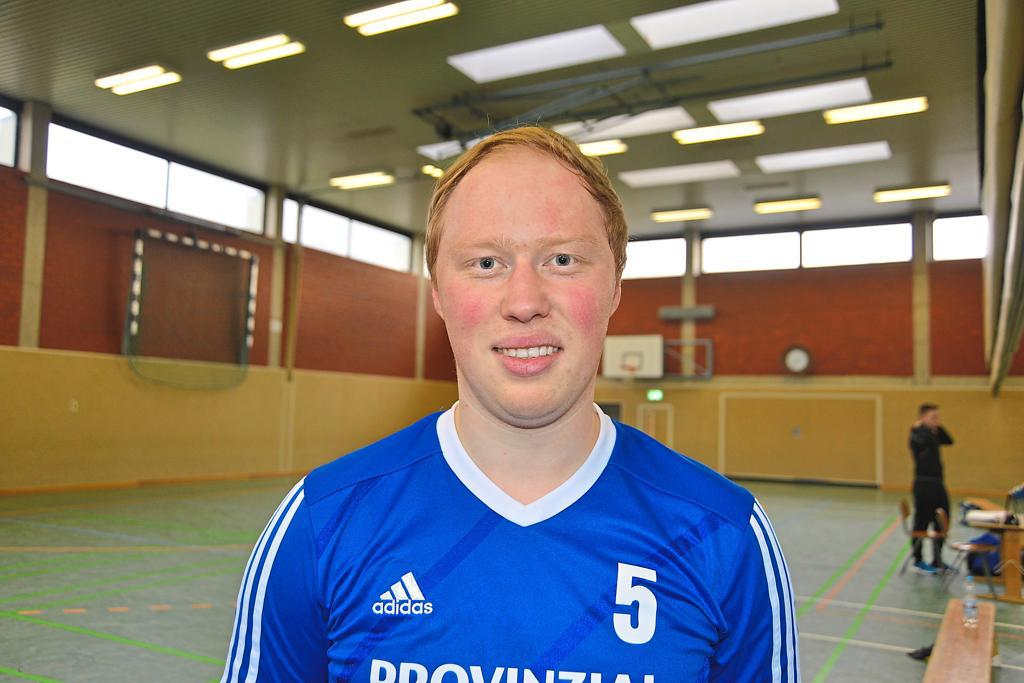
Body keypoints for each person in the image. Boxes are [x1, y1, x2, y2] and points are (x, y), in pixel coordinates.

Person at [220, 126, 799, 682]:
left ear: (615, 288)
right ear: (439, 294)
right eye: (486, 263)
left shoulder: (723, 534)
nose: (524, 302)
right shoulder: (323, 522)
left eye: (562, 260)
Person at [909, 403, 954, 575]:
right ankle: (918, 560)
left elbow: (949, 440)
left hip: (937, 484)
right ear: (922, 418)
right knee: (922, 522)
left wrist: (937, 427)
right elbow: (926, 442)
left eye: (938, 417)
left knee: (942, 520)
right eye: (933, 417)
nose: (937, 420)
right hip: (924, 484)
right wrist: (922, 427)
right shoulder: (917, 433)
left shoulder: (933, 432)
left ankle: (937, 559)